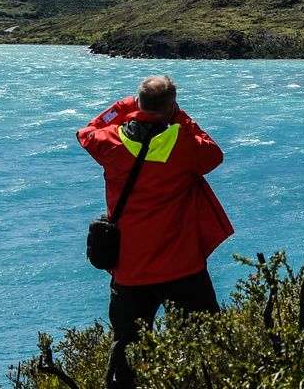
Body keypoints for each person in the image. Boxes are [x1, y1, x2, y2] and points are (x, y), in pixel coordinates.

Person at [79, 74, 234, 389]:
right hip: (182, 269)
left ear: (137, 104)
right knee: (205, 342)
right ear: (172, 107)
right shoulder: (182, 145)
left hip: (130, 272)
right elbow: (214, 154)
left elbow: (88, 130)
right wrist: (181, 117)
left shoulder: (110, 143)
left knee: (126, 346)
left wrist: (124, 106)